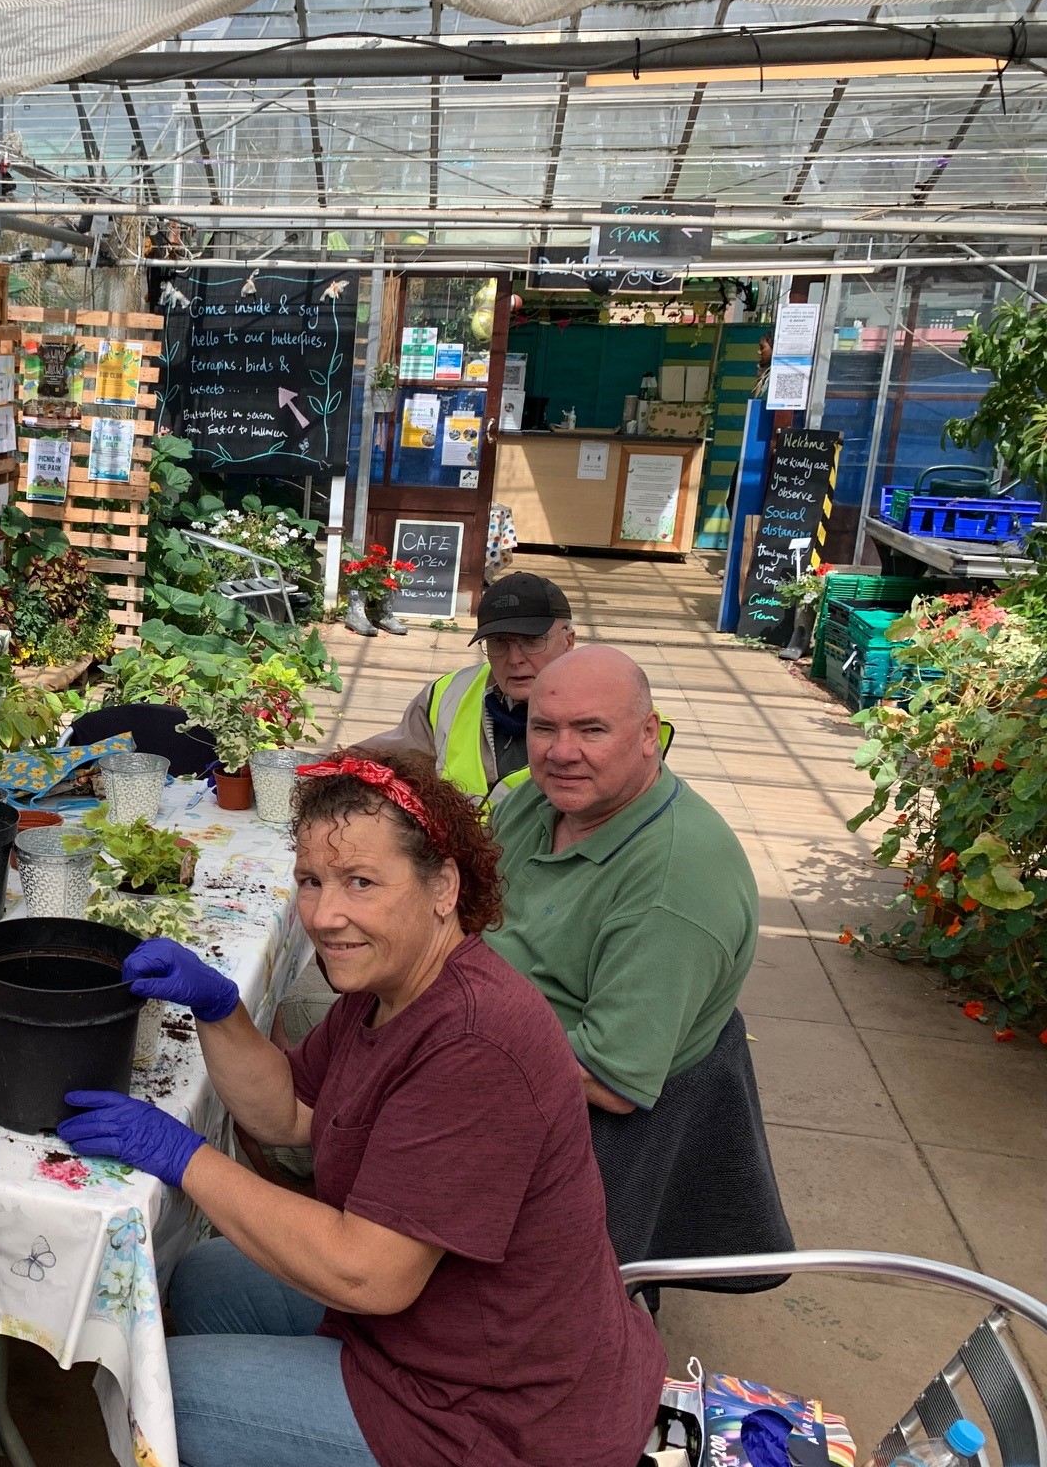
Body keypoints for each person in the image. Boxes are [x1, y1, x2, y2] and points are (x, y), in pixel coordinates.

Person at [57, 751, 665, 1467]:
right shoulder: (391, 989)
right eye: (311, 881)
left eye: (361, 883)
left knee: (160, 1396)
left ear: (444, 886)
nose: (323, 914)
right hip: (438, 1326)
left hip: (499, 1413)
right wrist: (218, 1007)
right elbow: (289, 1113)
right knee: (201, 1280)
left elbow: (368, 1275)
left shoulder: (476, 1043)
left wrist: (184, 1156)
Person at [490, 645, 789, 1275]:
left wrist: (448, 1035)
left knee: (322, 1145)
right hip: (494, 1029)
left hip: (565, 1125)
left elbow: (611, 1079)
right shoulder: (538, 802)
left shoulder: (675, 881)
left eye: (592, 729)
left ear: (649, 735)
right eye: (544, 728)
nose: (561, 751)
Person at [350, 571, 578, 807]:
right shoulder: (448, 693)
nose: (514, 658)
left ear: (568, 641)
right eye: (499, 641)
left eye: (532, 641)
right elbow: (385, 760)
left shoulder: (605, 709)